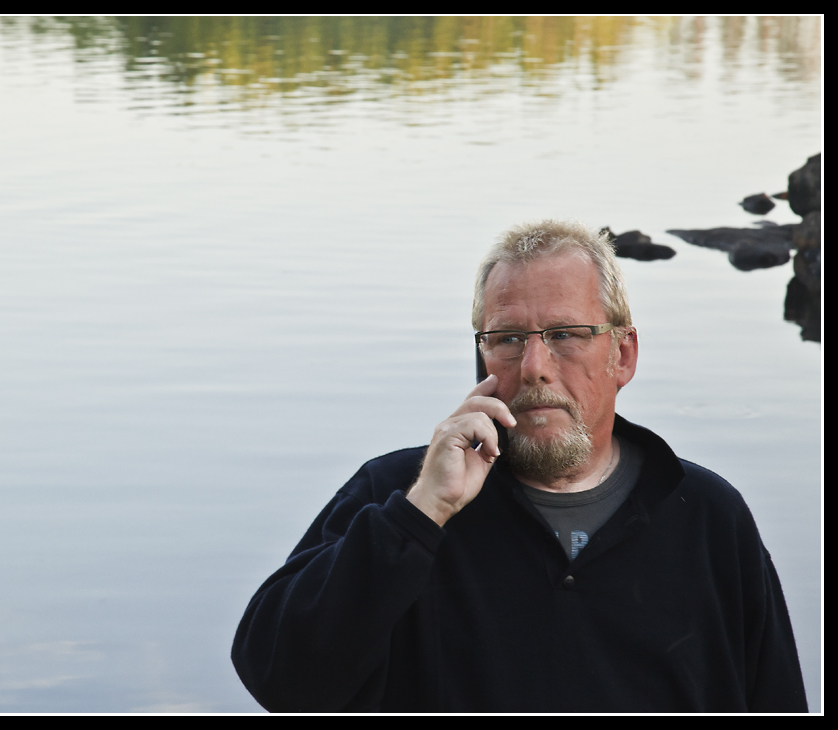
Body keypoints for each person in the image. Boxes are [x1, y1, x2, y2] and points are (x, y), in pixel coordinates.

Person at [231, 220, 807, 713]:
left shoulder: (706, 515)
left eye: (565, 335)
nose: (533, 366)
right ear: (479, 357)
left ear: (623, 354)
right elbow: (280, 680)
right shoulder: (398, 497)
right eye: (507, 338)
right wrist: (423, 513)